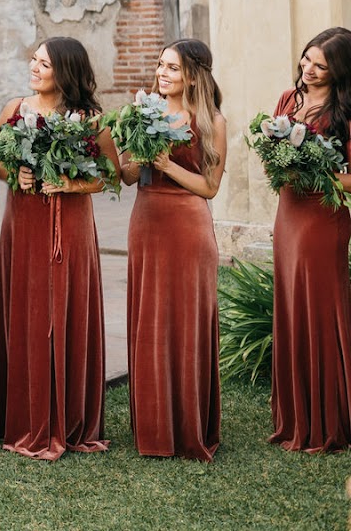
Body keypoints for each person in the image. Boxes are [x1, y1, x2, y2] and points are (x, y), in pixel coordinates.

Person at [0, 36, 118, 460]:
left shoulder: (91, 119)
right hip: (23, 222)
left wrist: (70, 183)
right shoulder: (13, 109)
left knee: (65, 307)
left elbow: (109, 176)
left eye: (43, 63)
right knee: (27, 308)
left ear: (65, 70)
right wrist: (15, 173)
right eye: (33, 59)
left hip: (70, 225)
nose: (34, 67)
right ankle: (24, 417)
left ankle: (69, 417)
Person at [118, 39, 224, 460]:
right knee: (150, 320)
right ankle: (154, 427)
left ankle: (187, 425)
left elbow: (209, 188)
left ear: (193, 75)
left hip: (188, 225)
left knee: (186, 322)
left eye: (172, 68)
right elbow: (127, 177)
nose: (162, 74)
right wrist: (126, 153)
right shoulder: (144, 113)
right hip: (146, 222)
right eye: (160, 65)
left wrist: (167, 165)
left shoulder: (212, 120)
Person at [269, 27, 351, 453]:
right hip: (289, 213)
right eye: (307, 59)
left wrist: (318, 169)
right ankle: (296, 414)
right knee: (291, 301)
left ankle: (328, 417)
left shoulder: (345, 112)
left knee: (320, 305)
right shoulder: (289, 99)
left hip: (323, 215)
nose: (309, 70)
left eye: (321, 66)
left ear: (339, 72)